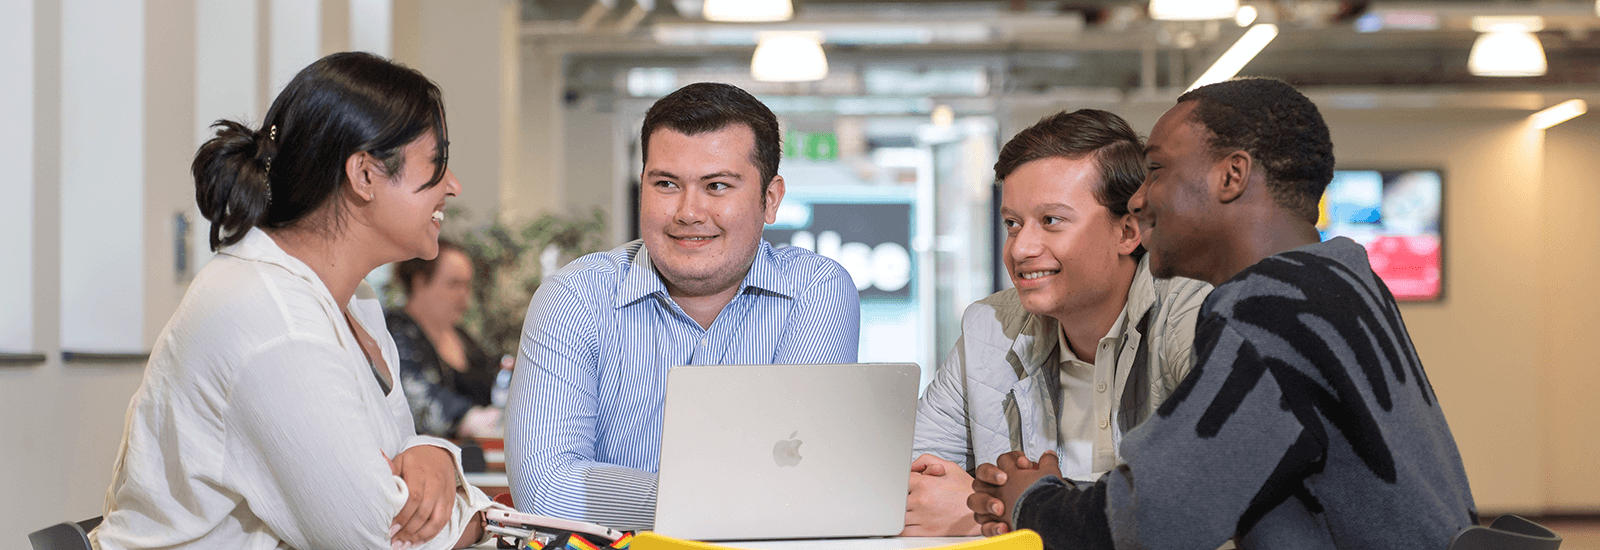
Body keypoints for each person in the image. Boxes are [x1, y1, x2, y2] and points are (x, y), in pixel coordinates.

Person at [968, 78, 1477, 549]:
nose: (1140, 198)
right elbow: (1186, 493)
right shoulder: (1338, 282)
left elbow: (1149, 525)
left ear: (1232, 176)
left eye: (1157, 170)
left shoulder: (1271, 311)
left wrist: (1030, 500)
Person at [92, 52, 493, 550]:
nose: (452, 187)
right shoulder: (272, 319)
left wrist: (431, 453)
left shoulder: (355, 302)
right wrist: (480, 517)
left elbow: (396, 469)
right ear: (364, 175)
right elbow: (380, 535)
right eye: (436, 165)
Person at [504, 82, 861, 530]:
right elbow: (545, 490)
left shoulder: (815, 291)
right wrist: (727, 501)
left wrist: (649, 499)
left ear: (770, 199)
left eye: (717, 186)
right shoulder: (574, 298)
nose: (688, 212)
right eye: (667, 184)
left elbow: (805, 484)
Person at [903, 109, 1211, 536]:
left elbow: (1204, 508)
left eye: (1051, 221)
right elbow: (915, 482)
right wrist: (1002, 509)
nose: (1021, 248)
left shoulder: (1194, 317)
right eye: (1013, 224)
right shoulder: (989, 327)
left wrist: (1012, 513)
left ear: (1127, 232)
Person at [387, 240, 506, 439]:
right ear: (419, 282)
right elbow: (416, 398)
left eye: (467, 285)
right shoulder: (396, 331)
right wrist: (468, 419)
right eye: (454, 284)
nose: (463, 296)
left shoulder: (463, 337)